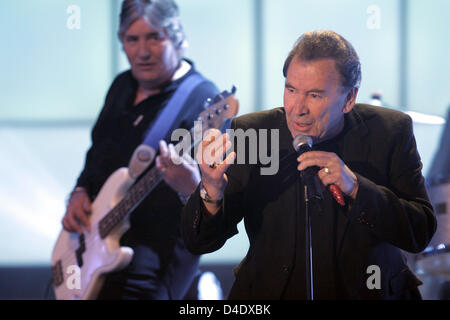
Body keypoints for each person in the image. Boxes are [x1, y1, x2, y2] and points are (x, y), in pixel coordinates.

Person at [181, 30, 437, 299]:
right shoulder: (253, 132)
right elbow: (199, 242)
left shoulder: (389, 132)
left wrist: (357, 188)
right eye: (291, 90)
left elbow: (419, 232)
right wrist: (211, 192)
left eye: (315, 95)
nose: (297, 108)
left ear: (349, 99)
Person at [62, 0, 219, 299]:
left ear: (176, 37)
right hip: (94, 252)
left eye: (154, 37)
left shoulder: (205, 102)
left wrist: (190, 186)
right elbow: (97, 156)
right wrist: (80, 191)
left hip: (154, 266)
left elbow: (216, 203)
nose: (143, 51)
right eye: (132, 39)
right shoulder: (122, 86)